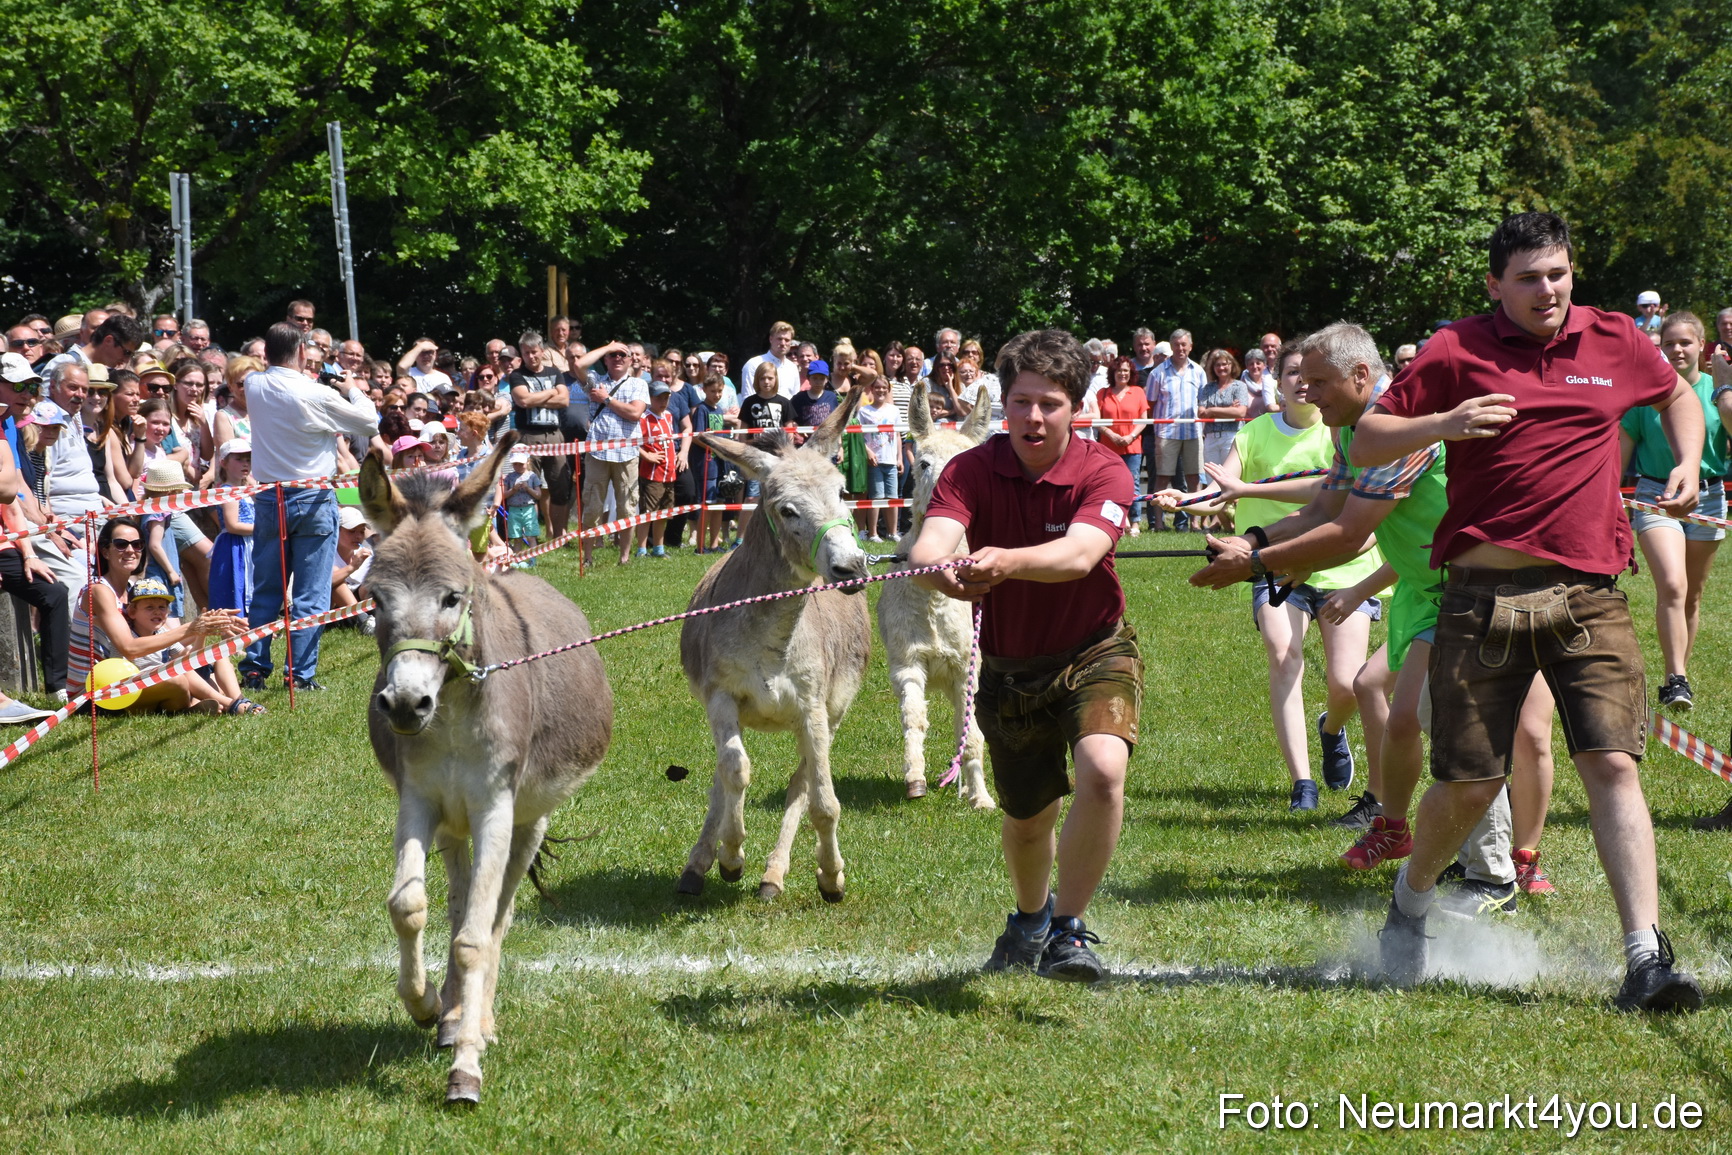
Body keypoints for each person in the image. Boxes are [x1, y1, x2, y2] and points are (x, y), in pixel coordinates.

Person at [1351, 212, 1703, 1010]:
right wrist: (1442, 424)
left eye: (1559, 274)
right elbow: (1367, 438)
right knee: (1472, 785)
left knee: (1613, 762)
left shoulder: (1613, 337)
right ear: (1494, 286)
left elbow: (1679, 392)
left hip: (1590, 594)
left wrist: (1685, 457)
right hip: (1480, 596)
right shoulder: (1455, 349)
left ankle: (1645, 955)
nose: (1548, 291)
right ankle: (1409, 905)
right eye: (1528, 278)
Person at [1189, 322, 1545, 903]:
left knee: (1457, 731)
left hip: (1464, 591)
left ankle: (1490, 867)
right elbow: (1327, 503)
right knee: (1413, 715)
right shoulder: (1353, 430)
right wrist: (1254, 540)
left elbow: (1349, 534)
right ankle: (1412, 832)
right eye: (1303, 382)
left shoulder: (1393, 431)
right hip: (1423, 592)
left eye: (1320, 382)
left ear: (1361, 376)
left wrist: (1255, 564)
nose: (1307, 394)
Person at [909, 328, 1142, 983]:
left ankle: (1069, 930)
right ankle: (1031, 915)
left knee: (1101, 771)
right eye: (1020, 401)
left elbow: (1079, 555)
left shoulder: (1105, 471)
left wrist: (1006, 561)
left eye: (1050, 403)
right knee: (1027, 819)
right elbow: (926, 551)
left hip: (1096, 647)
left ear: (1076, 408)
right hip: (1007, 667)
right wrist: (948, 575)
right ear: (1003, 404)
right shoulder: (970, 469)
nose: (1033, 417)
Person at [1160, 340, 1385, 811]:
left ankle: (1332, 728)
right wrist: (1185, 502)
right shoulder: (1258, 431)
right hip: (1275, 564)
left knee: (1349, 685)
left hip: (1346, 567)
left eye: (1314, 376)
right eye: (1294, 375)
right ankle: (1302, 783)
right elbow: (1221, 490)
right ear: (1277, 382)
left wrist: (1250, 541)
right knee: (1284, 655)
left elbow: (1339, 513)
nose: (1303, 384)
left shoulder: (1345, 428)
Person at [239, 322, 379, 692]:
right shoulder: (316, 393)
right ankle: (299, 676)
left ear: (265, 354)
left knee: (267, 590)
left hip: (270, 497)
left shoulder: (253, 385)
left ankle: (254, 668)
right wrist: (351, 390)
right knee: (310, 594)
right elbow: (370, 422)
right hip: (313, 499)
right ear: (302, 352)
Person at [1618, 311, 1723, 713]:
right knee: (1673, 586)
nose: (1677, 349)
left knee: (1693, 596)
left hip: (1709, 499)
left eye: (1684, 342)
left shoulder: (1720, 392)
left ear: (1702, 345)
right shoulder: (1645, 396)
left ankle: (1673, 675)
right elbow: (1620, 452)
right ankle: (1677, 679)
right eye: (1669, 343)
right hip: (1654, 495)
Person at [68, 519, 250, 712]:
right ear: (105, 551)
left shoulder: (132, 590)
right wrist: (192, 628)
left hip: (124, 680)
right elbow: (129, 648)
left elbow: (170, 639)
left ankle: (235, 702)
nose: (130, 550)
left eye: (137, 544)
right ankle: (219, 704)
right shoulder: (98, 591)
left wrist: (213, 623)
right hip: (93, 693)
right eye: (121, 544)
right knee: (176, 680)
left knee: (208, 659)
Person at [122, 576, 263, 715]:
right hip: (150, 691)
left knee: (220, 657)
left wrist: (202, 635)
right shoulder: (129, 638)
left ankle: (239, 699)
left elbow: (191, 662)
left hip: (179, 686)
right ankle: (228, 704)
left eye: (162, 607)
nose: (157, 611)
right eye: (149, 607)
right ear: (132, 612)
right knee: (179, 669)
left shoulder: (162, 633)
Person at [578, 341, 649, 567]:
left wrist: (606, 399)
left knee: (627, 506)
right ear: (606, 360)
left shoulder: (638, 384)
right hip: (597, 452)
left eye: (622, 355)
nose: (617, 358)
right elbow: (579, 364)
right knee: (592, 506)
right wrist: (608, 346)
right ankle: (588, 557)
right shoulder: (595, 381)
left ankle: (624, 557)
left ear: (630, 360)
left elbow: (635, 413)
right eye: (613, 355)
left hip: (627, 453)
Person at [505, 331, 574, 539]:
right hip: (528, 436)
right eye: (526, 353)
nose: (531, 357)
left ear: (542, 351)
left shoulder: (555, 372)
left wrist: (536, 398)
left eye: (534, 352)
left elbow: (564, 401)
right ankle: (530, 537)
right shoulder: (516, 375)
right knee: (526, 485)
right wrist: (551, 392)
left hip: (554, 434)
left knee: (559, 486)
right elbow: (523, 401)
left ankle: (559, 535)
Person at [1148, 329, 1205, 531]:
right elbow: (1150, 403)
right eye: (1176, 344)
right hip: (1166, 433)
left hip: (1193, 432)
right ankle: (1158, 523)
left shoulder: (1198, 371)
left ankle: (1195, 523)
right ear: (1171, 346)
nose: (1180, 348)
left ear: (1190, 346)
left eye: (1184, 344)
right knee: (1162, 478)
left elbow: (1203, 403)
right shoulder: (1157, 373)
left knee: (1194, 478)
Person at [1096, 356, 1150, 535]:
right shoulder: (1102, 393)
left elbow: (1143, 420)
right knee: (1110, 484)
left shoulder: (1137, 392)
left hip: (1132, 447)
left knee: (1133, 484)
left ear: (1131, 373)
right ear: (1113, 372)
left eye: (1126, 370)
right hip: (1108, 447)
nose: (1123, 373)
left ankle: (1134, 523)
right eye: (1119, 370)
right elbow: (1098, 421)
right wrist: (1111, 435)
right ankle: (1116, 521)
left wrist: (1131, 436)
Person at [208, 438, 255, 614]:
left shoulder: (245, 488)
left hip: (249, 544)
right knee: (236, 589)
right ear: (224, 463)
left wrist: (250, 483)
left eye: (248, 460)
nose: (245, 464)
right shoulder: (228, 490)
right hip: (236, 546)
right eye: (239, 459)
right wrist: (263, 529)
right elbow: (233, 525)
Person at [635, 383, 678, 557]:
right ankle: (641, 549)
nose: (662, 401)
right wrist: (647, 456)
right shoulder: (644, 418)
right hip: (652, 474)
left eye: (666, 397)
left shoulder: (668, 416)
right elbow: (633, 443)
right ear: (649, 398)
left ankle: (658, 548)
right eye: (658, 398)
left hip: (669, 474)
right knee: (648, 513)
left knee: (664, 513)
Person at [858, 371, 900, 543]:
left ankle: (892, 532)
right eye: (877, 387)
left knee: (893, 497)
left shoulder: (894, 410)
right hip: (874, 460)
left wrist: (899, 458)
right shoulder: (864, 411)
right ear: (872, 389)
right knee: (876, 497)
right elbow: (859, 435)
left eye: (884, 388)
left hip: (890, 460)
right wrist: (868, 451)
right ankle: (873, 533)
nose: (881, 390)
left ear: (888, 390)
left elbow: (897, 435)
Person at [740, 321, 801, 399]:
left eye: (787, 340)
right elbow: (747, 397)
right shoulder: (754, 364)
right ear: (771, 339)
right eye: (779, 339)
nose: (783, 343)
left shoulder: (792, 368)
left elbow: (795, 399)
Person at [503, 447, 544, 561]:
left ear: (528, 462)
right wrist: (513, 490)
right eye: (515, 464)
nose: (518, 466)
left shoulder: (533, 476)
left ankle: (533, 560)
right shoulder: (509, 477)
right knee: (517, 537)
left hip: (529, 509)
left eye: (521, 464)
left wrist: (528, 489)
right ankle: (517, 560)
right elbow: (504, 495)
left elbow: (538, 495)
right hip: (513, 510)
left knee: (531, 536)